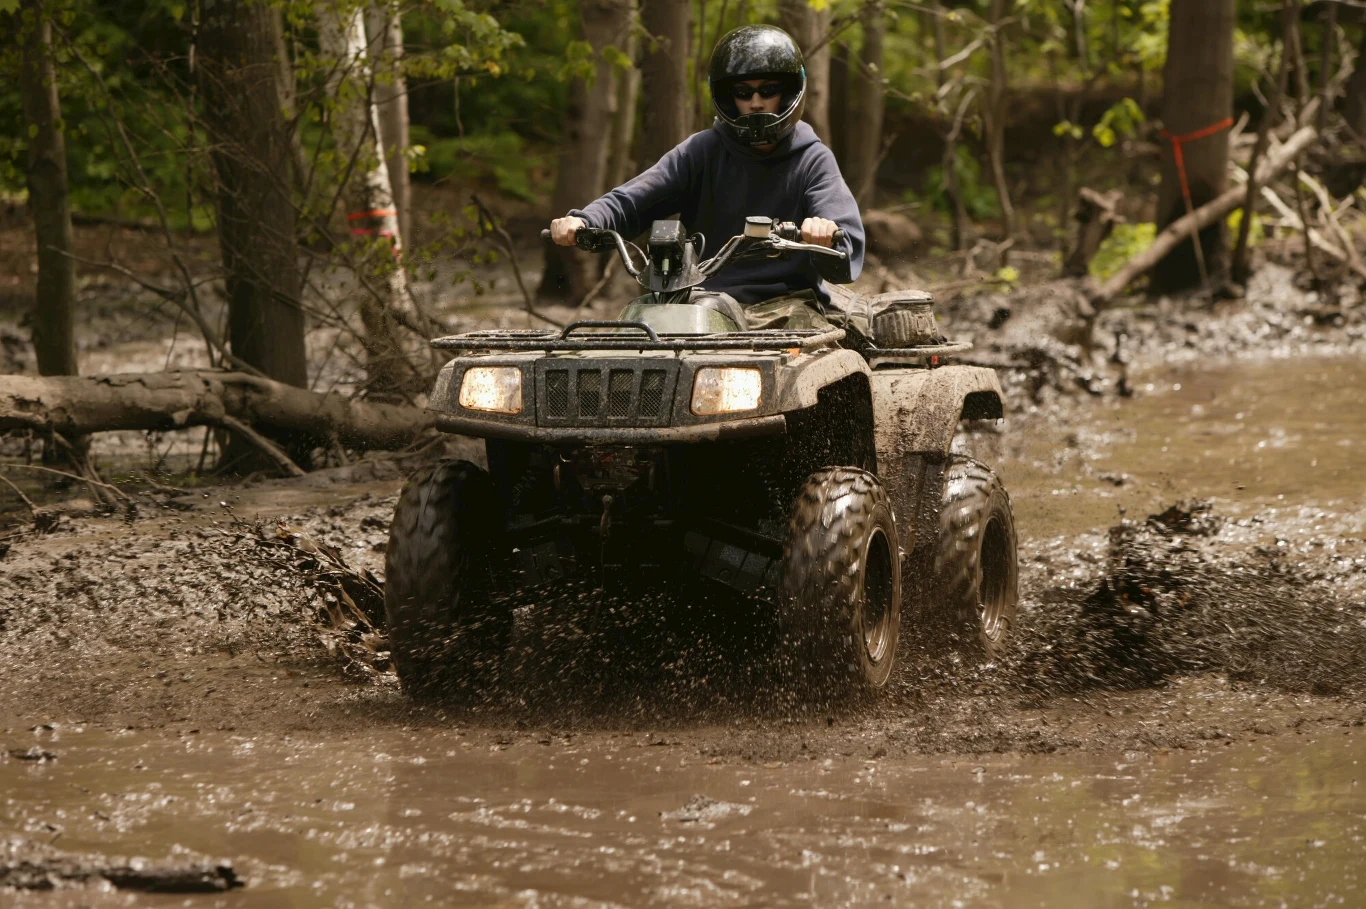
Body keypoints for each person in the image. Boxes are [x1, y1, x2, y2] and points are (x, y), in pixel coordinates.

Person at [548, 24, 865, 335]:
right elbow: (631, 200)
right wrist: (586, 220)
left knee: (805, 362)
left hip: (785, 306)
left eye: (768, 90)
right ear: (728, 97)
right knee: (636, 341)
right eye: (743, 92)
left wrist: (825, 233)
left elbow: (845, 243)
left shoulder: (812, 159)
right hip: (702, 306)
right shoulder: (700, 152)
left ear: (790, 91)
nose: (756, 102)